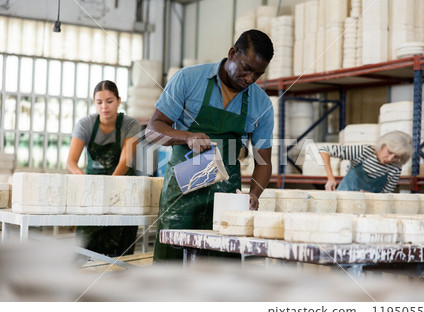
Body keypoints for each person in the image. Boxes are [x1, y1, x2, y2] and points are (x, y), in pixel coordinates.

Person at [146, 29, 274, 261]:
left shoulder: (261, 103)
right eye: (246, 68)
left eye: (258, 74)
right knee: (171, 270)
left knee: (220, 275)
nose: (249, 79)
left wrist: (254, 194)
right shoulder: (188, 80)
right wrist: (186, 137)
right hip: (181, 196)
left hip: (226, 200)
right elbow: (153, 129)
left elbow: (263, 162)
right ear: (232, 53)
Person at [66, 80, 141, 257]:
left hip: (123, 195)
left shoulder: (130, 125)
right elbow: (71, 162)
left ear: (118, 100)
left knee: (121, 257)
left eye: (109, 101)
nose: (104, 107)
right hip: (93, 195)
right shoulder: (86, 124)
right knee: (84, 253)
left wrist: (109, 186)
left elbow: (125, 160)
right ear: (94, 103)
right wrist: (81, 176)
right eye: (99, 102)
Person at [319, 130, 413, 193]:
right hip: (344, 200)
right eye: (389, 152)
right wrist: (330, 178)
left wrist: (373, 197)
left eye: (396, 157)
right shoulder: (364, 152)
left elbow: (385, 196)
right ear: (383, 144)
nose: (389, 159)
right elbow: (324, 150)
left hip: (367, 209)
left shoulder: (395, 168)